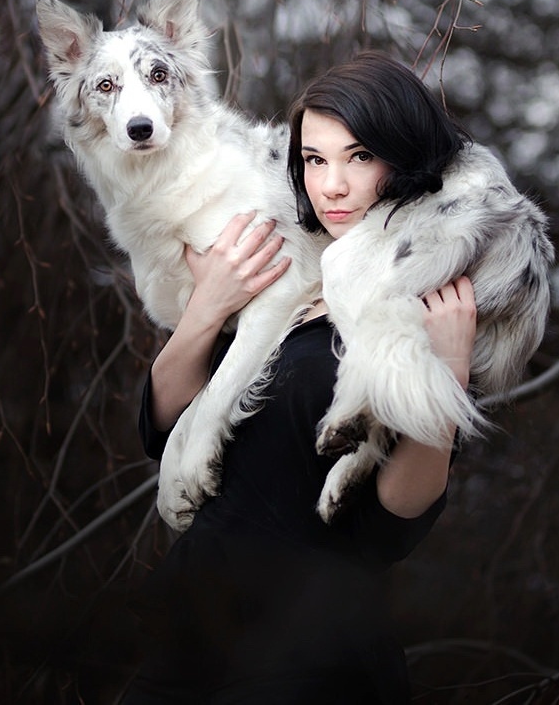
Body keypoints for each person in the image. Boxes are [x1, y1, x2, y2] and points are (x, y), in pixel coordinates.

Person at [122, 53, 478, 704]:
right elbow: (164, 423)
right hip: (188, 641)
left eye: (359, 156)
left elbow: (390, 523)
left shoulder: (428, 287)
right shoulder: (293, 258)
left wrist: (447, 375)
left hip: (307, 660)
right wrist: (209, 306)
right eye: (314, 160)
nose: (332, 185)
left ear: (405, 158)